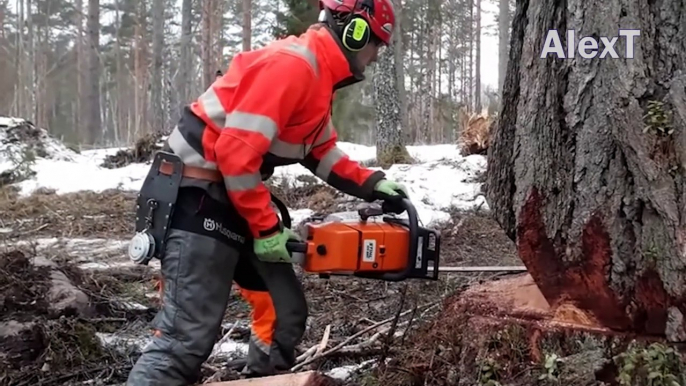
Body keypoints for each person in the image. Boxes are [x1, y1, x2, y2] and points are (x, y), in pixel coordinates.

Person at [126, 0, 407, 384]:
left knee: (283, 312)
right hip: (195, 196)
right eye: (377, 44)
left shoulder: (317, 75)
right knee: (184, 340)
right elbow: (235, 153)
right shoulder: (293, 66)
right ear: (356, 32)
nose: (376, 56)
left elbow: (319, 149)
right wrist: (266, 229)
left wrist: (371, 183)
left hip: (232, 198)